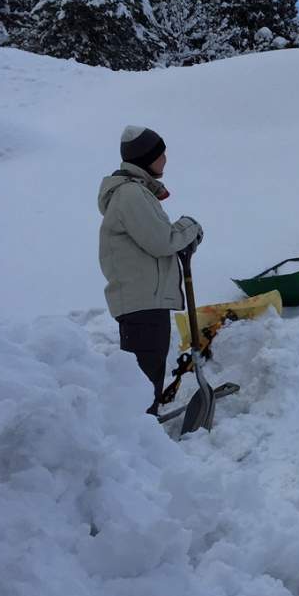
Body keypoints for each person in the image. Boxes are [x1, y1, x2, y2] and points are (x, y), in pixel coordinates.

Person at [97, 126, 203, 415]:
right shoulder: (131, 194)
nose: (165, 159)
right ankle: (138, 438)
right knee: (142, 382)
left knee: (147, 377)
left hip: (145, 301)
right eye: (160, 154)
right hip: (141, 302)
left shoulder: (136, 192)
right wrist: (189, 226)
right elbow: (161, 240)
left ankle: (143, 434)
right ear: (146, 158)